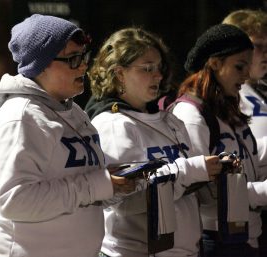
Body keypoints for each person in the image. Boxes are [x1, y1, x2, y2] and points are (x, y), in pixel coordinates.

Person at [0, 14, 131, 257]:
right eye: (73, 59)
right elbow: (15, 200)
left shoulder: (73, 111)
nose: (83, 65)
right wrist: (97, 185)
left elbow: (84, 186)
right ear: (40, 65)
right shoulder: (19, 119)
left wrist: (115, 185)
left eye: (83, 56)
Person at [85, 27, 222, 257]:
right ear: (119, 74)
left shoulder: (170, 119)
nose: (157, 75)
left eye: (159, 67)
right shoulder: (112, 124)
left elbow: (186, 188)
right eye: (147, 68)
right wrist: (189, 171)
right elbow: (125, 201)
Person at [171, 23, 267, 257]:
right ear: (214, 64)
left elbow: (250, 163)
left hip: (249, 234)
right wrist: (262, 192)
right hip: (217, 239)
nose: (246, 75)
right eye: (239, 66)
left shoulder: (230, 107)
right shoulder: (191, 114)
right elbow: (203, 192)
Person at [222, 9, 267, 256]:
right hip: (243, 210)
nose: (265, 53)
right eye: (258, 45)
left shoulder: (259, 91)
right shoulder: (226, 97)